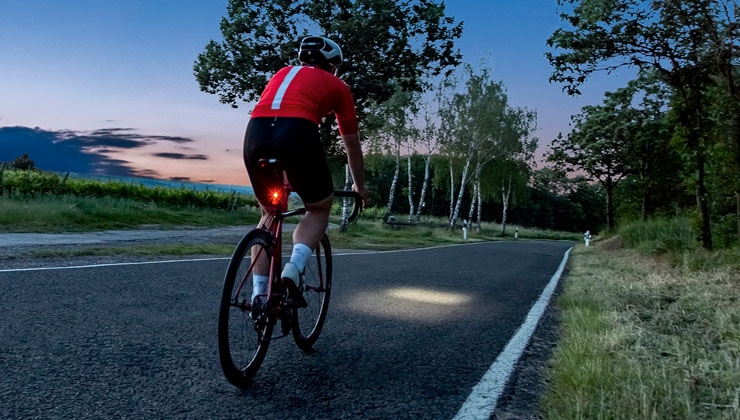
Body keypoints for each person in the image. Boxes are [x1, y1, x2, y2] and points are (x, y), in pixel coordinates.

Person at [243, 36, 368, 309]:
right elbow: (353, 148)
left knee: (267, 214)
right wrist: (359, 186)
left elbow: (275, 117)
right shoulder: (338, 86)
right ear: (333, 66)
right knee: (319, 208)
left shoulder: (281, 73)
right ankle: (294, 268)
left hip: (255, 133)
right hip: (297, 132)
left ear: (303, 59)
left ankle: (258, 295)